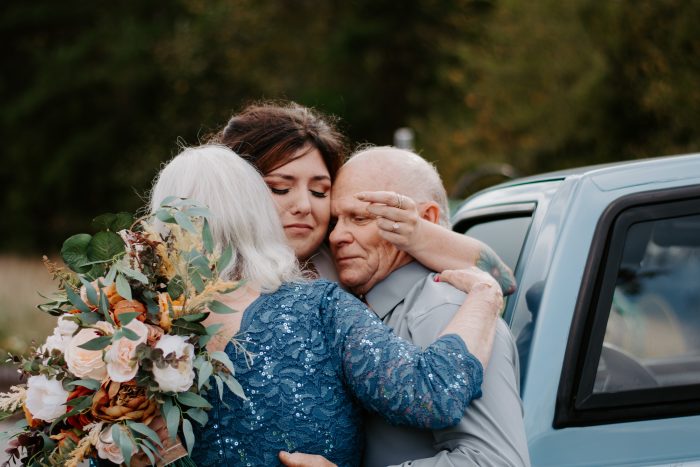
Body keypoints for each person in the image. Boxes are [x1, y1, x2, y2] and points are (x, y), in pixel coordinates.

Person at [146, 144, 504, 466]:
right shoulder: (318, 307)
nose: (335, 233)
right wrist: (486, 295)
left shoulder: (130, 330)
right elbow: (433, 394)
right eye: (281, 189)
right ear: (259, 209)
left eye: (319, 192)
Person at [282, 147, 530, 467]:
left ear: (425, 220)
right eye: (334, 221)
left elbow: (496, 462)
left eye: (359, 217)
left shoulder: (448, 310)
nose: (338, 236)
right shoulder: (352, 300)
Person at [210, 101, 516, 293]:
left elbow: (502, 279)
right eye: (280, 188)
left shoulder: (342, 259)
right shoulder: (193, 279)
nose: (304, 206)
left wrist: (416, 232)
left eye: (319, 191)